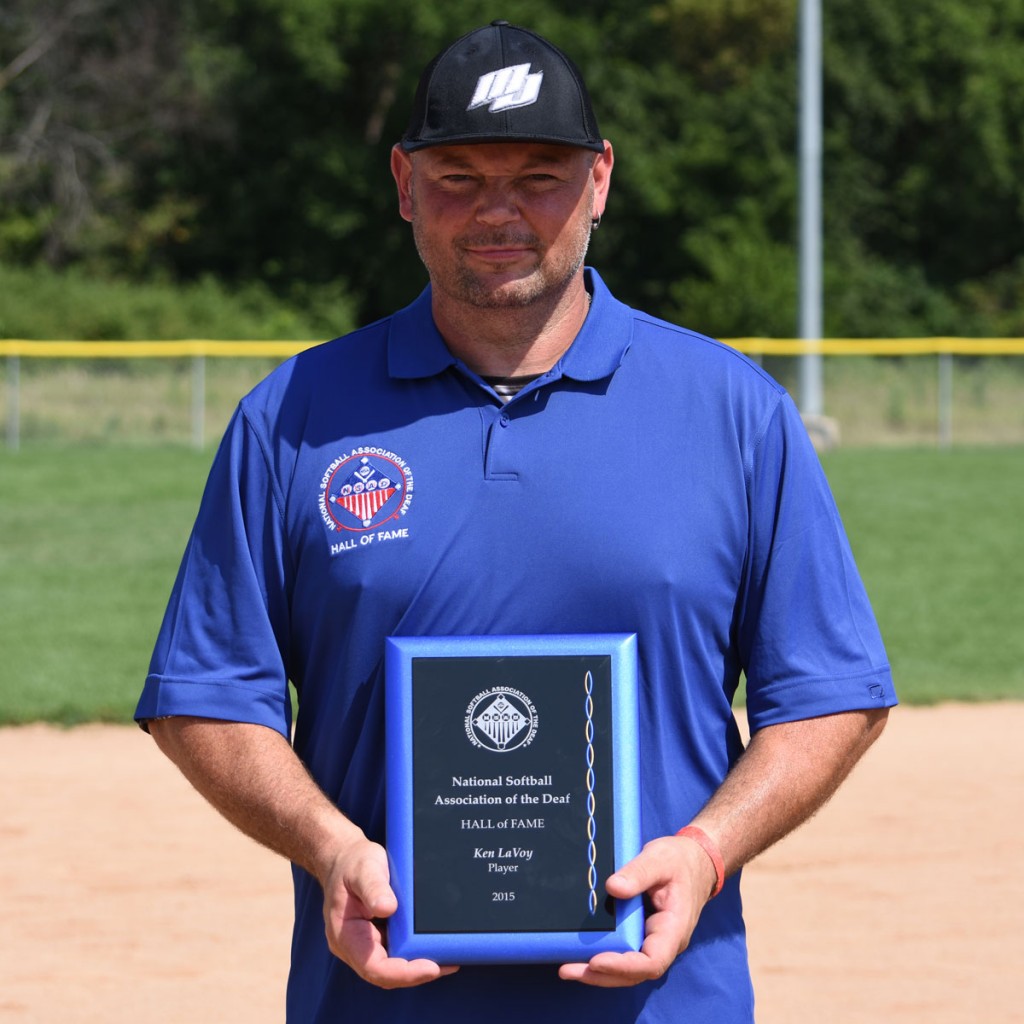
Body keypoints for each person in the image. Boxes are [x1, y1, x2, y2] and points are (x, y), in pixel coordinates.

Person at [136, 20, 896, 1023]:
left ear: (599, 181)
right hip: (377, 1002)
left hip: (666, 1000)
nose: (498, 210)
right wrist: (331, 847)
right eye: (459, 176)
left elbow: (832, 692)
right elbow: (204, 697)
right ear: (404, 184)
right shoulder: (294, 417)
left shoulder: (731, 410)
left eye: (538, 174)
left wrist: (705, 850)